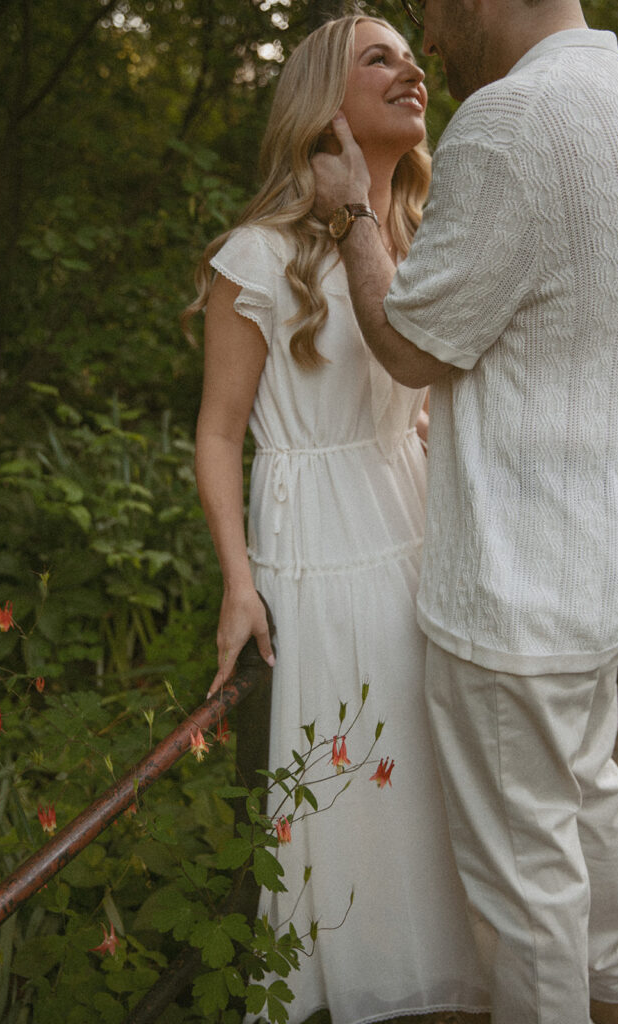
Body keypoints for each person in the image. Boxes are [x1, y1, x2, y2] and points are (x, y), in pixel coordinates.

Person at [311, 1, 618, 1023]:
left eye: (428, 11)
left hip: (514, 584)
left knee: (522, 887)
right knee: (584, 804)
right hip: (601, 567)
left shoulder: (510, 122)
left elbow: (413, 345)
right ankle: (611, 1004)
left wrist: (350, 217)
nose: (431, 34)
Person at [186, 13, 492, 1024]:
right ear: (324, 101)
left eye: (412, 55)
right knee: (344, 791)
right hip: (314, 542)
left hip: (414, 532)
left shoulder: (413, 236)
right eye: (379, 57)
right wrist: (239, 582)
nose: (411, 70)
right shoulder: (256, 254)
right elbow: (220, 433)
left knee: (429, 794)